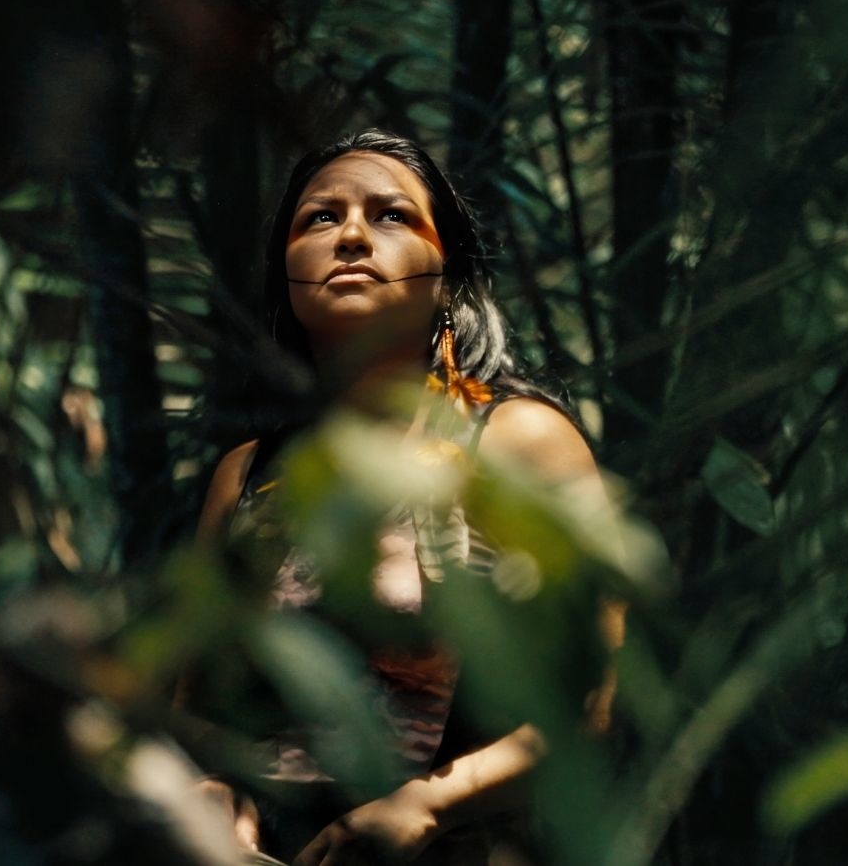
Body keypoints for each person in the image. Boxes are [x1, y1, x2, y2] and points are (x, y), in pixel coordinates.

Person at [190, 130, 619, 865]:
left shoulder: (518, 443)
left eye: (391, 215)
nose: (352, 234)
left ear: (446, 275)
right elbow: (191, 704)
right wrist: (210, 791)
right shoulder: (248, 473)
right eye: (318, 219)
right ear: (285, 276)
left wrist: (425, 807)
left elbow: (588, 707)